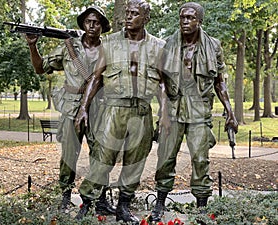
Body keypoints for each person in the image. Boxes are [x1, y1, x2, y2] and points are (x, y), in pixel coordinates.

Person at [74, 0, 170, 223]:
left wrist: (164, 114)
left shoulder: (158, 46)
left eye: (134, 14)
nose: (128, 17)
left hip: (142, 110)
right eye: (127, 13)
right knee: (102, 157)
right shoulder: (109, 43)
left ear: (146, 18)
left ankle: (123, 207)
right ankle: (87, 203)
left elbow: (163, 84)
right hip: (114, 108)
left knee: (135, 160)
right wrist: (83, 109)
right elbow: (95, 79)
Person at [150, 2, 238, 223]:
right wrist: (163, 112)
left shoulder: (214, 46)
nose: (185, 22)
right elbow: (160, 81)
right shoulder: (168, 44)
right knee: (165, 158)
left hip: (199, 111)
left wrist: (230, 111)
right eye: (182, 18)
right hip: (173, 109)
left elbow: (220, 83)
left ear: (199, 20)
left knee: (200, 159)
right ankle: (159, 203)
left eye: (190, 18)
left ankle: (201, 208)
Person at [25, 6, 116, 215]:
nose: (92, 25)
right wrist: (32, 46)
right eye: (88, 21)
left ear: (102, 26)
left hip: (99, 109)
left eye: (97, 22)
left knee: (101, 155)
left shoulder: (109, 50)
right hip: (71, 109)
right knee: (68, 155)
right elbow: (40, 68)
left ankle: (100, 199)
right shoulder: (69, 47)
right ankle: (65, 197)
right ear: (83, 24)